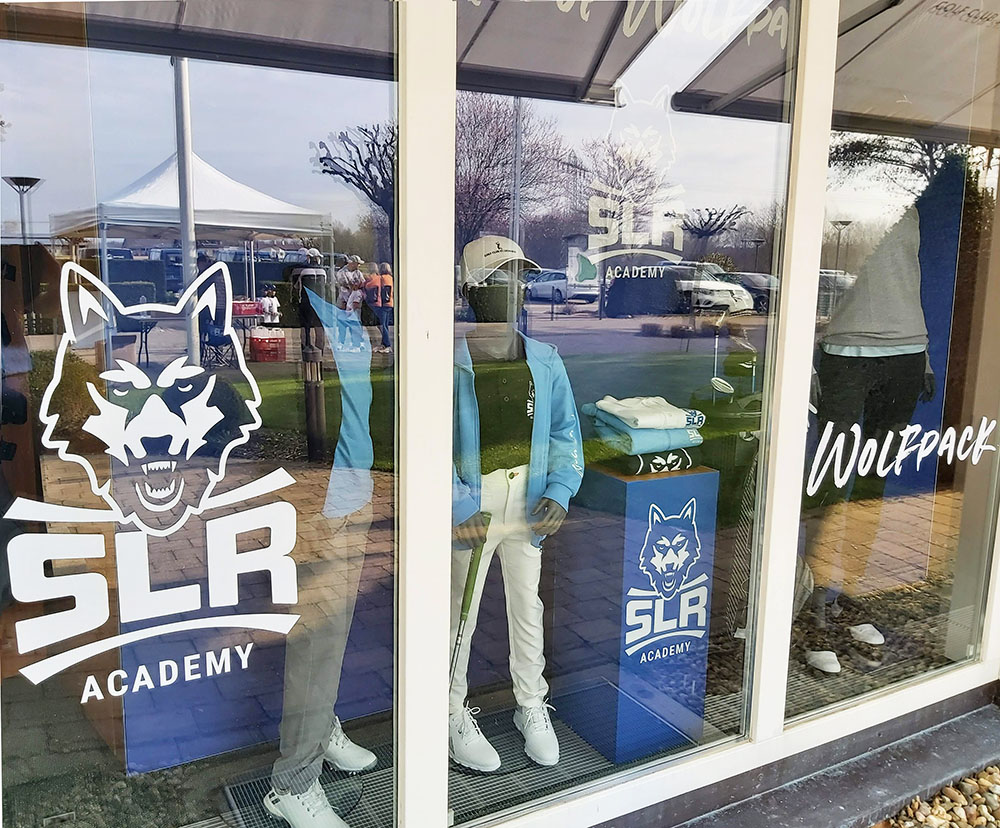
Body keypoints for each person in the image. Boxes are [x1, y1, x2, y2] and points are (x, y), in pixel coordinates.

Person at [449, 235, 583, 773]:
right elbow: (424, 442)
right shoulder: (448, 362)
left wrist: (559, 490)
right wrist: (456, 504)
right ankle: (449, 710)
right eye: (499, 278)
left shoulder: (544, 360)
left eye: (519, 278)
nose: (514, 288)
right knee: (458, 614)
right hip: (474, 502)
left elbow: (565, 433)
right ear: (471, 290)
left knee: (528, 607)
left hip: (528, 499)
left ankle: (531, 704)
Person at [263, 286, 378, 828]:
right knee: (316, 640)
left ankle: (320, 728)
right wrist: (307, 504)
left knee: (332, 639)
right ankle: (293, 782)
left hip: (356, 491)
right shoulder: (304, 312)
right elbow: (290, 412)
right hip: (320, 503)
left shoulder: (349, 315)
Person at [376, 262, 394, 354]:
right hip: (390, 303)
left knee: (383, 325)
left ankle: (387, 344)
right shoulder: (390, 278)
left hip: (383, 303)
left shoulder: (381, 278)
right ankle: (384, 343)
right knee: (385, 324)